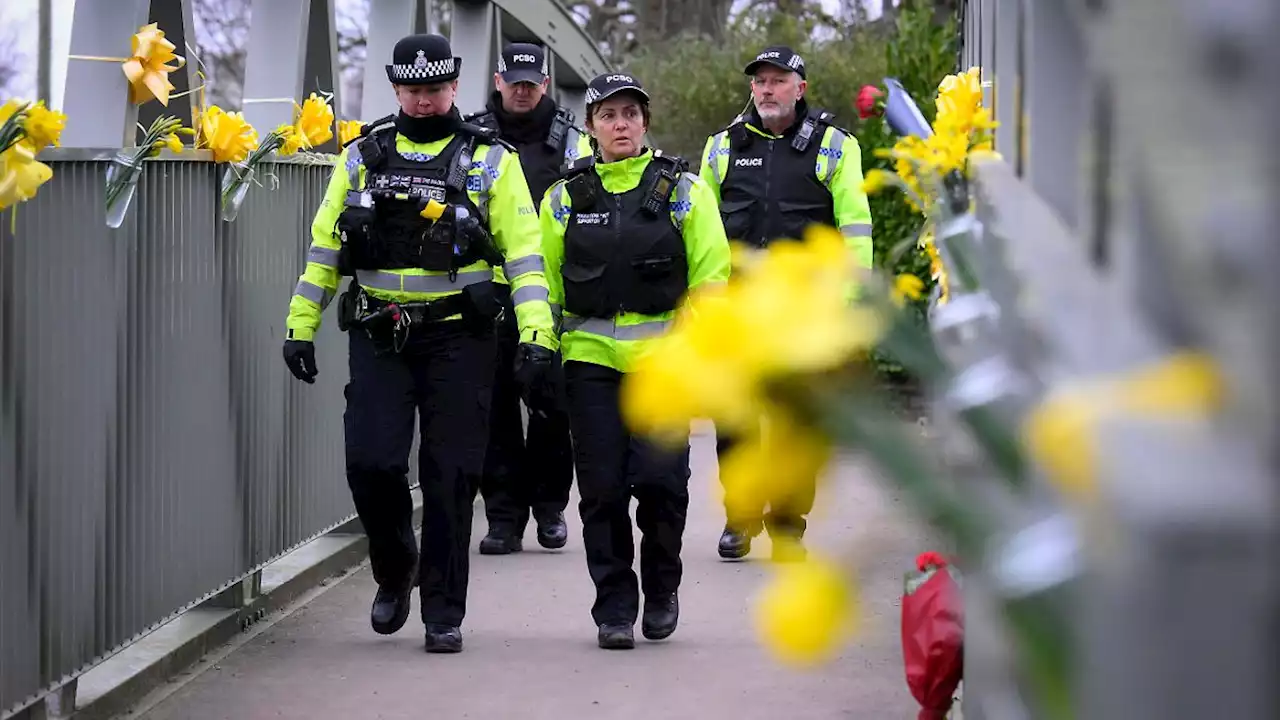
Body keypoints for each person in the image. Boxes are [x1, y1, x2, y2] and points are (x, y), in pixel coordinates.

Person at [281, 33, 557, 654]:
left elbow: (525, 254)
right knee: (372, 464)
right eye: (413, 89)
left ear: (454, 87)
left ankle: (443, 612)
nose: (425, 100)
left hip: (461, 336)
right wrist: (301, 324)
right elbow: (325, 247)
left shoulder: (492, 160)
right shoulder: (361, 156)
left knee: (451, 475)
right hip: (381, 331)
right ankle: (394, 567)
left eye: (435, 89)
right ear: (397, 88)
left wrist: (538, 336)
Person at [540, 72, 731, 649]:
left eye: (630, 114)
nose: (619, 125)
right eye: (607, 115)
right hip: (589, 364)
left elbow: (712, 278)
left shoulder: (683, 192)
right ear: (592, 126)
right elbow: (543, 284)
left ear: (644, 122)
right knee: (600, 490)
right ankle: (614, 608)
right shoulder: (565, 197)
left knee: (660, 483)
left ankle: (663, 588)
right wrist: (539, 352)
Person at [698, 45, 873, 561]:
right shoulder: (721, 148)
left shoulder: (835, 147)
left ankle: (789, 520)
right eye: (760, 81)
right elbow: (701, 233)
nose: (767, 89)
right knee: (734, 418)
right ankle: (739, 514)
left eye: (778, 80)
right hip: (739, 310)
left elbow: (856, 232)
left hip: (806, 315)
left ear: (801, 86)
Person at [463, 42, 592, 556]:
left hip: (550, 293)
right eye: (513, 81)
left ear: (545, 84)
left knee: (550, 406)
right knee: (492, 410)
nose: (522, 89)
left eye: (530, 82)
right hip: (488, 292)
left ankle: (550, 507)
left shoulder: (572, 144)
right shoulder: (471, 136)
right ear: (498, 81)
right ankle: (503, 517)